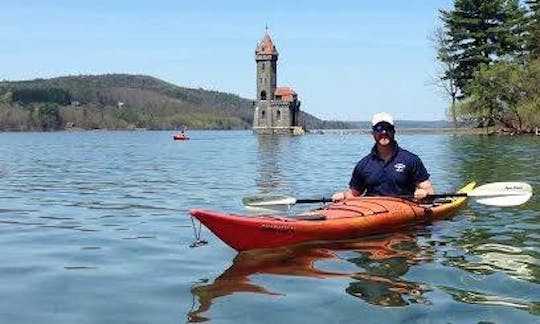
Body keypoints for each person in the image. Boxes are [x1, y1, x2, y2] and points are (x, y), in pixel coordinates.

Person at [332, 112, 434, 202]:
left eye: (387, 128)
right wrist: (342, 196)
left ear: (394, 131)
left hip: (404, 209)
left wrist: (424, 192)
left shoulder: (411, 160)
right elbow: (353, 194)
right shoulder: (363, 164)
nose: (383, 132)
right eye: (379, 128)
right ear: (373, 133)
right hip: (372, 212)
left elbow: (429, 190)